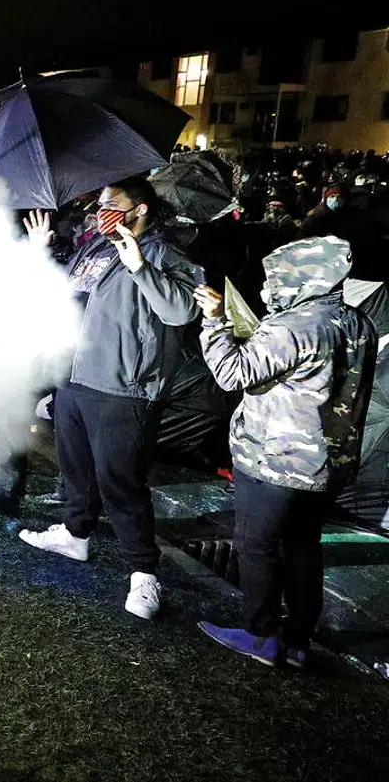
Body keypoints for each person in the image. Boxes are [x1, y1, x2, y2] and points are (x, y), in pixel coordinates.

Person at [18, 177, 203, 619]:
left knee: (121, 482)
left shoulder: (164, 254)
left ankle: (144, 575)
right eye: (98, 204)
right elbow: (63, 295)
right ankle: (74, 535)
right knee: (75, 468)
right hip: (75, 376)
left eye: (110, 204)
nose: (100, 211)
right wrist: (41, 251)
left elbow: (181, 311)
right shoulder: (94, 248)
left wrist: (140, 266)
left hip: (125, 388)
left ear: (138, 210)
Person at [192, 237, 376, 668]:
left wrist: (215, 322)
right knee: (303, 547)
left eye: (278, 276)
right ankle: (297, 642)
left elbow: (232, 373)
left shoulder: (292, 326)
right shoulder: (357, 323)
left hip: (274, 462)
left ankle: (261, 637)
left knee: (255, 546)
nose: (269, 284)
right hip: (328, 464)